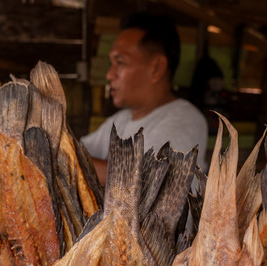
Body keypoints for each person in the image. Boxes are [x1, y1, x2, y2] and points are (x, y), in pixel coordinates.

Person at [82, 13, 208, 185]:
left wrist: (69, 162)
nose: (109, 74)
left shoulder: (186, 120)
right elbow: (77, 151)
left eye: (120, 62)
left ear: (156, 68)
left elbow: (144, 181)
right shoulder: (120, 120)